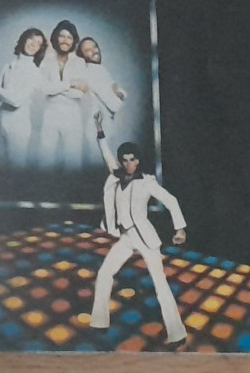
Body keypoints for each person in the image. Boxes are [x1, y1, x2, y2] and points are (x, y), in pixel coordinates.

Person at [89, 114, 187, 346]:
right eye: (125, 160)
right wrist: (99, 130)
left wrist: (180, 229)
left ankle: (177, 333)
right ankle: (99, 323)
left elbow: (171, 201)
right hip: (125, 238)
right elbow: (106, 153)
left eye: (132, 160)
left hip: (145, 238)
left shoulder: (146, 182)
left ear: (138, 161)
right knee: (104, 273)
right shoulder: (116, 176)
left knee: (160, 283)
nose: (128, 164)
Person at [37, 18, 91, 168]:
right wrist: (71, 83)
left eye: (69, 37)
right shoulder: (46, 60)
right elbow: (44, 89)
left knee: (73, 160)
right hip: (50, 115)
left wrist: (55, 88)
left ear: (73, 41)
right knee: (45, 159)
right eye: (62, 36)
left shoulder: (79, 62)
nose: (65, 40)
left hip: (73, 116)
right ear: (56, 38)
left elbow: (79, 94)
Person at [0, 27, 46, 167]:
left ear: (40, 49)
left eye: (38, 43)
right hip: (0, 120)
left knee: (15, 168)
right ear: (24, 39)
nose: (33, 44)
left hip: (18, 126)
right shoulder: (8, 66)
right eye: (31, 39)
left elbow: (16, 101)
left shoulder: (35, 72)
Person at [78, 35, 128, 161]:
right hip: (100, 129)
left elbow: (118, 89)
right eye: (87, 50)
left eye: (94, 46)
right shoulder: (94, 71)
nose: (94, 51)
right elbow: (114, 104)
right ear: (82, 55)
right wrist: (120, 95)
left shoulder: (98, 69)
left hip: (100, 128)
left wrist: (119, 92)